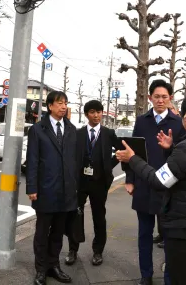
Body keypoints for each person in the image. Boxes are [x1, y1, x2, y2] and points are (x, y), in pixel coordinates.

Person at [116, 93, 186, 285]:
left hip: (185, 232)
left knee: (181, 277)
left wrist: (133, 159)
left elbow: (159, 181)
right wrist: (172, 149)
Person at [124, 79, 185, 285]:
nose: (160, 100)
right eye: (156, 96)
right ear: (150, 98)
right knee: (144, 234)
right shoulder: (142, 121)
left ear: (170, 98)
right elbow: (131, 151)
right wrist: (130, 179)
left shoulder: (178, 124)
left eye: (164, 97)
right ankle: (146, 275)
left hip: (170, 188)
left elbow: (184, 155)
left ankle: (169, 277)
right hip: (144, 184)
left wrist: (171, 147)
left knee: (169, 237)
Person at [26, 91, 77, 285]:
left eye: (65, 103)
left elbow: (74, 160)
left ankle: (53, 266)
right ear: (50, 106)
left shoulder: (71, 129)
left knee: (58, 232)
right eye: (59, 103)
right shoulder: (38, 129)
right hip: (45, 190)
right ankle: (40, 269)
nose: (63, 107)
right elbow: (32, 160)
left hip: (66, 191)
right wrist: (32, 187)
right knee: (42, 233)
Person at [65, 100, 119, 267]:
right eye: (92, 112)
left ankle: (98, 251)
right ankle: (73, 249)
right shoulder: (78, 133)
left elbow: (121, 151)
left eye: (99, 112)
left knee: (99, 217)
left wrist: (108, 166)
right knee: (75, 215)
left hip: (99, 182)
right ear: (87, 114)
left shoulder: (109, 133)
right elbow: (71, 156)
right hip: (80, 181)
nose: (96, 115)